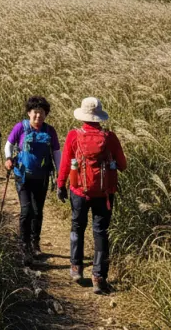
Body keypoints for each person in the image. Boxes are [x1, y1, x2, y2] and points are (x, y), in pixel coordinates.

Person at [56, 97, 127, 295]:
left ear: (83, 115)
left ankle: (76, 267)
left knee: (77, 226)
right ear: (99, 116)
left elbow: (65, 163)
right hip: (104, 193)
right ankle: (99, 277)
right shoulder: (109, 137)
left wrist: (61, 184)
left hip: (79, 190)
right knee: (101, 232)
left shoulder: (74, 135)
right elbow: (123, 165)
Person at [4, 96, 62, 264]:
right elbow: (9, 144)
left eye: (42, 113)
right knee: (26, 210)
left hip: (42, 176)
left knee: (37, 211)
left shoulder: (50, 131)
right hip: (22, 175)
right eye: (35, 113)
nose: (38, 117)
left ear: (46, 114)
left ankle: (35, 243)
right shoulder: (20, 127)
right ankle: (24, 243)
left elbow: (56, 152)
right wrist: (8, 158)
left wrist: (60, 173)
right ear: (29, 113)